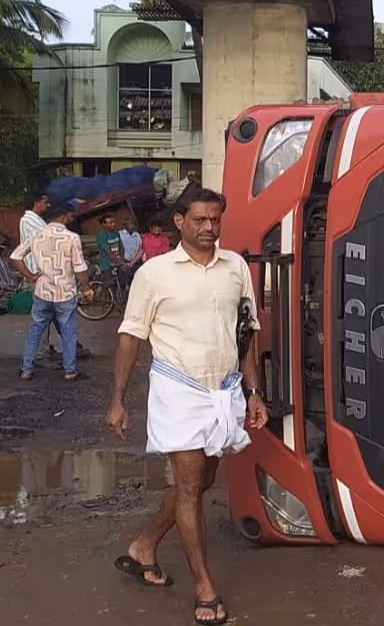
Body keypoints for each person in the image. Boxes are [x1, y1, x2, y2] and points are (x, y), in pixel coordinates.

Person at [106, 188, 266, 626]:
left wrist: (253, 392)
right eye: (199, 219)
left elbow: (246, 332)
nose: (209, 227)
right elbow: (130, 335)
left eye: (215, 219)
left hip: (224, 392)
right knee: (191, 486)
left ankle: (144, 545)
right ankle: (205, 589)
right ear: (179, 221)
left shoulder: (235, 267)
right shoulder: (154, 273)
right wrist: (118, 399)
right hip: (178, 391)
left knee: (202, 480)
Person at [8, 205, 93, 381]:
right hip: (65, 293)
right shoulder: (72, 238)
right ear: (62, 216)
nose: (71, 218)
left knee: (35, 330)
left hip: (42, 292)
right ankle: (70, 372)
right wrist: (86, 288)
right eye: (70, 215)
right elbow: (80, 267)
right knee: (68, 332)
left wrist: (31, 276)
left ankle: (26, 370)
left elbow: (15, 257)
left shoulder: (35, 236)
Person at [96, 214, 125, 280]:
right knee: (110, 284)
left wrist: (122, 260)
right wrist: (119, 262)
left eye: (114, 222)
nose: (113, 224)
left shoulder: (116, 233)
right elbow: (108, 252)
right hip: (107, 265)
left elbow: (122, 247)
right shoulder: (101, 235)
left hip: (117, 262)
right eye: (110, 223)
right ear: (104, 224)